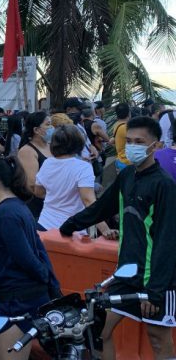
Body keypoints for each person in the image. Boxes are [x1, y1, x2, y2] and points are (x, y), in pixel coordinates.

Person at [60, 116, 176, 360]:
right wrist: (70, 225)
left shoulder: (165, 185)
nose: (132, 146)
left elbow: (168, 240)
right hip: (126, 274)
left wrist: (155, 290)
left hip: (155, 281)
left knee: (158, 339)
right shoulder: (127, 176)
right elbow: (102, 207)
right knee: (99, 330)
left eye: (139, 142)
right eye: (129, 140)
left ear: (155, 146)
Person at [0, 156, 61, 360]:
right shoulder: (17, 208)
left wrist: (43, 276)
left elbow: (25, 257)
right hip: (21, 297)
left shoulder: (6, 214)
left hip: (16, 300)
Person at [35, 124, 116, 238]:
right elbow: (88, 201)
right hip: (71, 229)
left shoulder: (48, 163)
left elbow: (38, 191)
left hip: (45, 225)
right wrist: (105, 229)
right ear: (78, 143)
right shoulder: (83, 167)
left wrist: (57, 195)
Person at [17, 111, 53, 220]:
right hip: (37, 207)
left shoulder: (52, 146)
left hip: (53, 204)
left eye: (51, 124)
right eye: (47, 124)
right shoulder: (27, 151)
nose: (51, 127)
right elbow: (32, 185)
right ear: (36, 130)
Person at [111, 102, 132, 172]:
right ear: (129, 113)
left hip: (120, 160)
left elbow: (113, 141)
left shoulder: (117, 125)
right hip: (126, 162)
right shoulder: (125, 127)